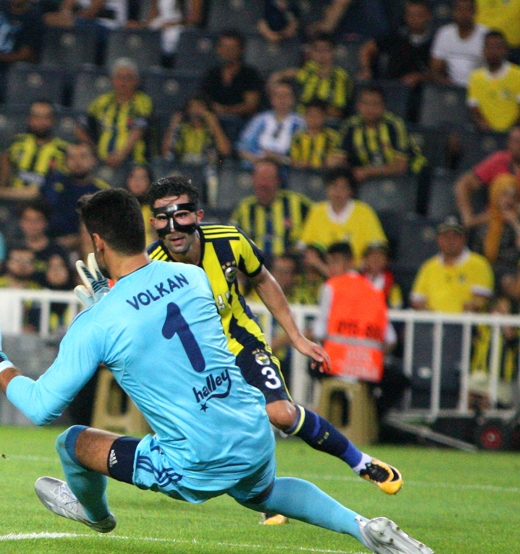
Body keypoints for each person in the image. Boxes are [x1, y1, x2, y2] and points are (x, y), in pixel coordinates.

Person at [0, 187, 442, 554]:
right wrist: (109, 300)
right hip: (251, 431)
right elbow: (154, 315)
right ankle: (362, 527)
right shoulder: (193, 277)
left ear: (97, 242)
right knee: (259, 493)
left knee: (71, 442)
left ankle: (95, 515)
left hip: (195, 460)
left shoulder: (97, 324)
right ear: (143, 230)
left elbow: (42, 405)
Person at [145, 176, 403, 526]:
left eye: (182, 215)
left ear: (199, 216)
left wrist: (295, 336)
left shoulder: (229, 240)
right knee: (219, 438)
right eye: (163, 217)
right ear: (153, 222)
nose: (173, 227)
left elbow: (263, 279)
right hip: (198, 364)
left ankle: (362, 462)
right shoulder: (151, 267)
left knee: (281, 414)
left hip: (241, 342)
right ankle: (268, 497)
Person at [313, 241, 394, 383]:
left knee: (312, 366)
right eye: (329, 263)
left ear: (351, 263)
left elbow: (319, 331)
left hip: (335, 365)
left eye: (336, 262)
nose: (331, 267)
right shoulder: (375, 290)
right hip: (369, 369)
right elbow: (391, 339)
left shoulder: (331, 286)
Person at [328, 84, 427, 181]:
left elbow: (401, 166)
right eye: (366, 103)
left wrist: (368, 171)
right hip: (363, 178)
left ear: (383, 106)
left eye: (375, 103)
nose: (370, 108)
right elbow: (336, 159)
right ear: (358, 105)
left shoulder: (395, 125)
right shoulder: (350, 125)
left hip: (404, 179)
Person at [298, 167, 388, 267]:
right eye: (334, 186)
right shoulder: (316, 211)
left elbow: (377, 249)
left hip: (356, 272)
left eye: (343, 187)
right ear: (327, 188)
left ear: (351, 191)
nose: (338, 192)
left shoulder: (364, 212)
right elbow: (304, 247)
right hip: (322, 271)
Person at [77, 58, 153, 169]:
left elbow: (139, 129)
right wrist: (91, 149)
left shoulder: (143, 101)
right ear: (112, 80)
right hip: (101, 162)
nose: (123, 81)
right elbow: (81, 125)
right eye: (119, 77)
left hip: (133, 164)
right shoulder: (102, 101)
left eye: (128, 77)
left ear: (136, 81)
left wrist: (121, 154)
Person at [232, 159, 312, 262]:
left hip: (290, 265)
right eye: (260, 178)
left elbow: (316, 225)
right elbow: (232, 241)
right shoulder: (243, 208)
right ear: (253, 179)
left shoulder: (298, 203)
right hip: (253, 265)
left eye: (269, 179)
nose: (263, 184)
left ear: (279, 181)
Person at [410, 216, 494, 312]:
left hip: (467, 324)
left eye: (455, 236)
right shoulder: (429, 266)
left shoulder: (479, 264)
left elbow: (481, 299)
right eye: (446, 236)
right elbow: (417, 300)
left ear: (464, 239)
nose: (450, 240)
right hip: (434, 324)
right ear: (439, 239)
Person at [42, 142, 110, 250]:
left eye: (83, 156)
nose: (77, 162)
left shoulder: (101, 192)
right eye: (72, 157)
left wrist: (77, 240)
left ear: (93, 160)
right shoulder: (54, 182)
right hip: (48, 241)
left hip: (83, 246)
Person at [199, 29, 264, 139]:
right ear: (218, 49)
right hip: (213, 124)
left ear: (241, 50)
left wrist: (225, 110)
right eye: (224, 47)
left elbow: (251, 105)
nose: (227, 52)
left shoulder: (250, 74)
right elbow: (203, 99)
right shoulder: (212, 74)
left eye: (232, 48)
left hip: (243, 125)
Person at [272, 32, 352, 119]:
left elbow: (338, 110)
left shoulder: (340, 76)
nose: (321, 54)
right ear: (311, 52)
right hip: (301, 120)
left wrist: (316, 115)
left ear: (333, 51)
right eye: (317, 50)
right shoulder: (303, 72)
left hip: (327, 121)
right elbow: (277, 78)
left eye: (326, 50)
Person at [454, 125, 520, 228]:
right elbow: (464, 184)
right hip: (494, 220)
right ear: (509, 143)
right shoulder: (499, 160)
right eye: (516, 141)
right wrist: (468, 217)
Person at [0, 101, 68, 190]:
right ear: (29, 119)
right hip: (13, 200)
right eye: (37, 117)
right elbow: (3, 178)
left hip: (46, 201)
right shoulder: (16, 143)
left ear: (52, 120)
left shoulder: (63, 149)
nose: (41, 122)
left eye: (46, 117)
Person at [236, 81, 305, 166]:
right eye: (278, 96)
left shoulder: (300, 123)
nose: (282, 99)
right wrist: (257, 159)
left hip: (286, 167)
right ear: (272, 99)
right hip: (257, 164)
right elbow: (242, 149)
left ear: (293, 99)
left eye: (286, 95)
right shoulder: (259, 120)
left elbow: (302, 155)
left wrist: (279, 159)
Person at [466, 31, 520, 133]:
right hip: (485, 134)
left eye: (497, 47)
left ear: (505, 50)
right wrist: (483, 124)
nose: (493, 51)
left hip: (513, 134)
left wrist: (511, 130)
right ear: (484, 50)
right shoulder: (476, 77)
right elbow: (473, 107)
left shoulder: (518, 75)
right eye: (489, 47)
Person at [430, 0, 487, 88]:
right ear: (453, 12)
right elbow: (436, 68)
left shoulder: (485, 34)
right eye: (459, 10)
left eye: (467, 10)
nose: (463, 14)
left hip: (479, 87)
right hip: (450, 89)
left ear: (474, 12)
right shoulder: (444, 33)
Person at [161, 94, 230, 164]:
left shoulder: (213, 130)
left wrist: (214, 123)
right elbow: (166, 153)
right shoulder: (182, 129)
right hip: (183, 168)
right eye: (192, 107)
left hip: (207, 169)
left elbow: (225, 152)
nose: (195, 110)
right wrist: (173, 125)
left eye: (199, 107)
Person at [289, 99, 339, 170]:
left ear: (325, 116)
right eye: (311, 115)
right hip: (301, 173)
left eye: (317, 115)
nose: (313, 119)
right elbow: (293, 159)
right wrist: (301, 164)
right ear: (305, 116)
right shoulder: (298, 137)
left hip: (324, 173)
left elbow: (334, 158)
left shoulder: (332, 136)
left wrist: (321, 164)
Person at [362, 240, 403, 308]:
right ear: (365, 260)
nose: (376, 259)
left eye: (380, 256)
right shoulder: (357, 279)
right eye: (372, 256)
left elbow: (396, 307)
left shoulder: (394, 282)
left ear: (387, 261)